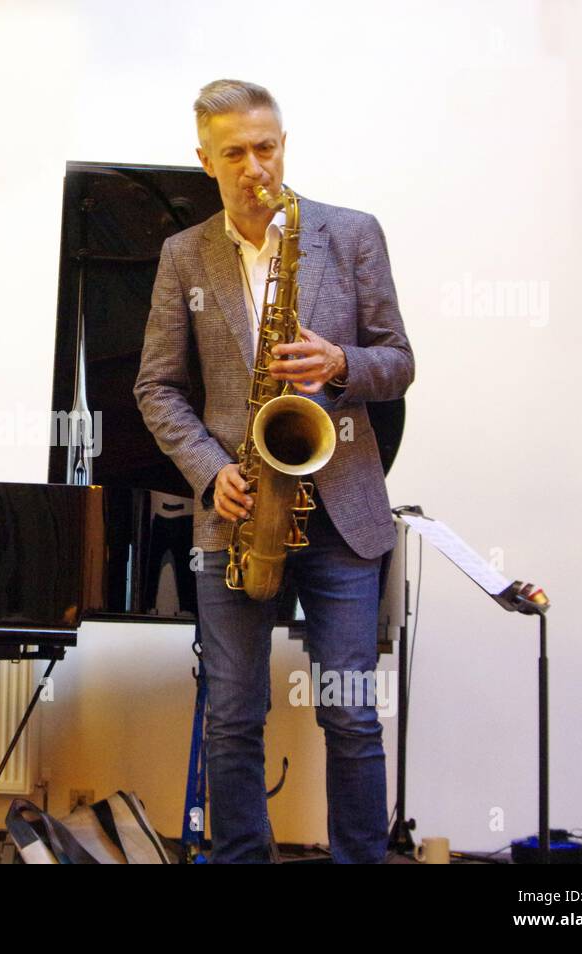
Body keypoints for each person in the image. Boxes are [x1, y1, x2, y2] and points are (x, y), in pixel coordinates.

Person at [133, 80, 414, 863]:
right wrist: (207, 470)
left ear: (283, 142)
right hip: (237, 506)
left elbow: (399, 362)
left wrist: (341, 362)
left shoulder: (352, 234)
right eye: (235, 153)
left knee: (351, 713)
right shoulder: (182, 254)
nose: (256, 166)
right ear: (205, 160)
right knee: (231, 714)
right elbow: (155, 387)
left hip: (342, 512)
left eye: (268, 146)